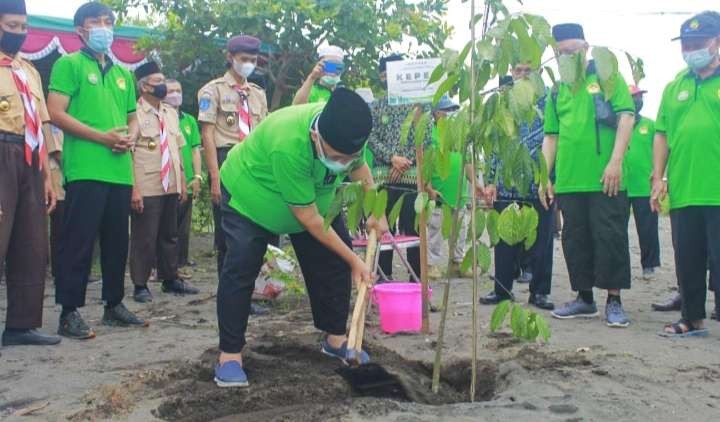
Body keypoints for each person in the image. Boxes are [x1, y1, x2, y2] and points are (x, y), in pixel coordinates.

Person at [213, 88, 388, 387]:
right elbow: (309, 220)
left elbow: (360, 166)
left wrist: (376, 209)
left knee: (332, 262)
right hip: (250, 197)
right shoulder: (288, 143)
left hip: (311, 203)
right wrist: (355, 261)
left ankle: (335, 339)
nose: (342, 163)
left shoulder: (350, 127)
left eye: (348, 158)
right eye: (336, 157)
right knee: (241, 265)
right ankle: (229, 355)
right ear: (316, 136)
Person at [48, 2, 146, 339]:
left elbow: (133, 117)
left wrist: (130, 137)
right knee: (78, 241)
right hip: (86, 169)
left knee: (118, 242)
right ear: (81, 30)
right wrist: (102, 138)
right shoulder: (69, 64)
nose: (104, 27)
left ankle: (113, 305)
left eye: (108, 21)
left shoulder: (122, 75)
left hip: (119, 170)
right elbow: (56, 112)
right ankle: (69, 311)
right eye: (95, 22)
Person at [540, 23, 636, 327]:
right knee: (575, 238)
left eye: (573, 51)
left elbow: (626, 115)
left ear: (586, 47)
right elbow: (551, 136)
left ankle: (614, 301)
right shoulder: (557, 89)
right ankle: (584, 298)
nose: (568, 57)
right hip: (569, 179)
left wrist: (615, 161)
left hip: (605, 177)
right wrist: (545, 176)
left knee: (610, 236)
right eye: (561, 53)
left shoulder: (607, 76)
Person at [651, 11, 720, 337]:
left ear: (716, 42)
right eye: (687, 44)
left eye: (699, 42)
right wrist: (657, 177)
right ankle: (692, 318)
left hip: (716, 187)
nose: (692, 49)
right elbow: (662, 134)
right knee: (688, 258)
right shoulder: (675, 86)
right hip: (684, 186)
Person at [0, 0, 61, 348]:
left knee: (31, 241)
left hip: (30, 156)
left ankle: (21, 325)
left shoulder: (29, 71)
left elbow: (41, 124)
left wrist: (48, 176)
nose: (19, 33)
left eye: (23, 27)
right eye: (12, 26)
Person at [481, 63, 556, 311]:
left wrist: (550, 177)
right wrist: (490, 180)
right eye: (518, 70)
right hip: (507, 182)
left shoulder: (550, 100)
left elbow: (555, 140)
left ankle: (540, 292)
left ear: (540, 71)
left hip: (538, 181)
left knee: (542, 241)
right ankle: (502, 289)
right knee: (504, 240)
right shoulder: (503, 102)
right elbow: (494, 145)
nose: (522, 75)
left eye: (528, 69)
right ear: (511, 72)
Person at [198, 35, 268, 280]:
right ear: (230, 58)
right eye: (243, 59)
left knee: (256, 228)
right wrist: (215, 177)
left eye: (253, 59)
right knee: (229, 234)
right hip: (226, 159)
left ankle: (252, 290)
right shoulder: (212, 90)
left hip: (254, 163)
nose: (249, 63)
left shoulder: (257, 93)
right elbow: (207, 134)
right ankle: (228, 291)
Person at [129, 61, 198, 303]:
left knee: (171, 234)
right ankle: (140, 283)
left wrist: (182, 183)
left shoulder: (170, 113)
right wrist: (134, 189)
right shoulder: (134, 113)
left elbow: (177, 149)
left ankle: (170, 278)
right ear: (144, 87)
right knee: (144, 236)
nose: (163, 86)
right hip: (147, 182)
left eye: (163, 81)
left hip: (171, 182)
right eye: (157, 83)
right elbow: (129, 154)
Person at [368, 54, 433, 280]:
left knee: (414, 231)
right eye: (388, 73)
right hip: (381, 180)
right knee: (384, 232)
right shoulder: (376, 106)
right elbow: (371, 138)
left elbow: (425, 138)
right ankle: (384, 280)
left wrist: (404, 161)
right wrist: (391, 158)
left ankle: (417, 284)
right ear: (382, 76)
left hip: (411, 179)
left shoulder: (420, 106)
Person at [425, 96, 471, 280]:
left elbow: (466, 161)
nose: (450, 114)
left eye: (453, 110)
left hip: (459, 191)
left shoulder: (458, 135)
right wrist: (428, 187)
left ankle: (456, 262)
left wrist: (476, 183)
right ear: (436, 113)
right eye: (446, 110)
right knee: (435, 230)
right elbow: (424, 162)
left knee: (460, 229)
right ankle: (430, 264)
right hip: (438, 192)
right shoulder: (430, 133)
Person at [165, 78, 203, 279]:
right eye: (170, 91)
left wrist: (197, 176)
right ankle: (163, 265)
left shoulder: (188, 120)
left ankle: (181, 261)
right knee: (167, 226)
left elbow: (196, 150)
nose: (175, 94)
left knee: (183, 226)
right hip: (169, 182)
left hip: (188, 180)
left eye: (178, 90)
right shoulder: (161, 117)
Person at [624, 85, 660, 279]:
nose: (637, 100)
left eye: (639, 97)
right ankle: (621, 266)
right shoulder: (618, 124)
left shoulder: (651, 125)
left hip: (644, 186)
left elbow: (661, 151)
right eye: (633, 97)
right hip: (621, 185)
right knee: (618, 230)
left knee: (647, 228)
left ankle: (649, 265)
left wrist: (658, 174)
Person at [44, 123, 64, 280]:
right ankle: (59, 271)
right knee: (59, 229)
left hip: (69, 179)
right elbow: (57, 152)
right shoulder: (50, 123)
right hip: (57, 179)